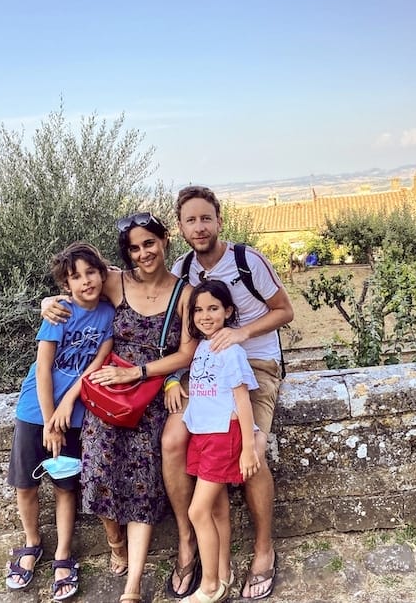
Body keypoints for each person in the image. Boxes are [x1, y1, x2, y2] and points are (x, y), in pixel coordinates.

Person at [43, 213, 196, 603]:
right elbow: (79, 288)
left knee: (143, 482)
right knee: (96, 471)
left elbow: (187, 351)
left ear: (164, 241)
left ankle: (132, 589)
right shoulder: (116, 280)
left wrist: (141, 373)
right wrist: (49, 302)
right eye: (134, 247)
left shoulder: (185, 293)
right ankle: (114, 541)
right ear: (126, 253)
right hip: (108, 395)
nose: (143, 252)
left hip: (151, 394)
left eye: (149, 243)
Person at [163, 185, 293, 600]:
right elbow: (124, 283)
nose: (199, 227)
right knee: (171, 441)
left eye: (206, 218)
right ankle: (191, 543)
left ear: (219, 221)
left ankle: (263, 549)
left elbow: (284, 310)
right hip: (203, 367)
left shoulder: (246, 260)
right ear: (180, 227)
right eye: (190, 220)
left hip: (252, 364)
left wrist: (239, 333)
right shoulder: (183, 270)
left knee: (250, 448)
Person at [6, 242, 115, 602]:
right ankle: (32, 542)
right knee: (27, 484)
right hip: (35, 411)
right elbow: (42, 368)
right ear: (66, 285)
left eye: (91, 272)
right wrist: (50, 418)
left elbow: (95, 367)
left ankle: (64, 553)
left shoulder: (109, 313)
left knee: (66, 484)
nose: (86, 281)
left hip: (76, 414)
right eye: (76, 277)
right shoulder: (59, 312)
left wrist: (64, 413)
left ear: (102, 273)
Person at [180, 279, 261, 603]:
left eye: (213, 308)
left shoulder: (231, 350)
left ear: (227, 311)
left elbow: (242, 400)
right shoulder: (202, 346)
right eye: (198, 309)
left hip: (222, 436)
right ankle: (223, 575)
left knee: (197, 511)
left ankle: (210, 586)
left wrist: (247, 448)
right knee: (216, 510)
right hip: (202, 434)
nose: (205, 315)